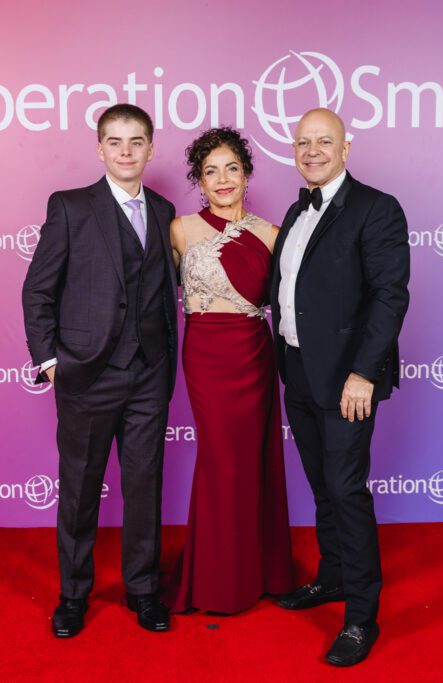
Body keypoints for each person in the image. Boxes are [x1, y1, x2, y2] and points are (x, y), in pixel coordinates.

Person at [21, 104, 177, 637]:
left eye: (136, 142)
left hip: (149, 374)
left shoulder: (162, 209)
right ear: (100, 149)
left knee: (144, 485)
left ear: (151, 148)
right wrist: (49, 362)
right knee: (80, 488)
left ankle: (143, 590)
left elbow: (159, 293)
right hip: (86, 374)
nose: (126, 151)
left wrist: (163, 364)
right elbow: (38, 290)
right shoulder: (70, 207)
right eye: (115, 142)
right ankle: (73, 595)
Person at [269, 109, 410, 666]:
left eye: (323, 142)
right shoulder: (295, 209)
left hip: (348, 379)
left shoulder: (377, 208)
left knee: (347, 491)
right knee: (324, 487)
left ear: (346, 148)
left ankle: (360, 617)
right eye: (303, 143)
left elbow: (389, 296)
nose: (311, 151)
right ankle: (331, 579)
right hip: (299, 370)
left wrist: (363, 374)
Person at [165, 127, 294, 614]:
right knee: (221, 460)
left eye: (231, 168)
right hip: (205, 355)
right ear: (199, 180)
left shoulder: (273, 234)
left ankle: (257, 569)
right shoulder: (179, 229)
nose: (222, 180)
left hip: (252, 354)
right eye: (210, 171)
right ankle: (216, 576)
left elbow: (289, 304)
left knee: (252, 460)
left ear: (247, 174)